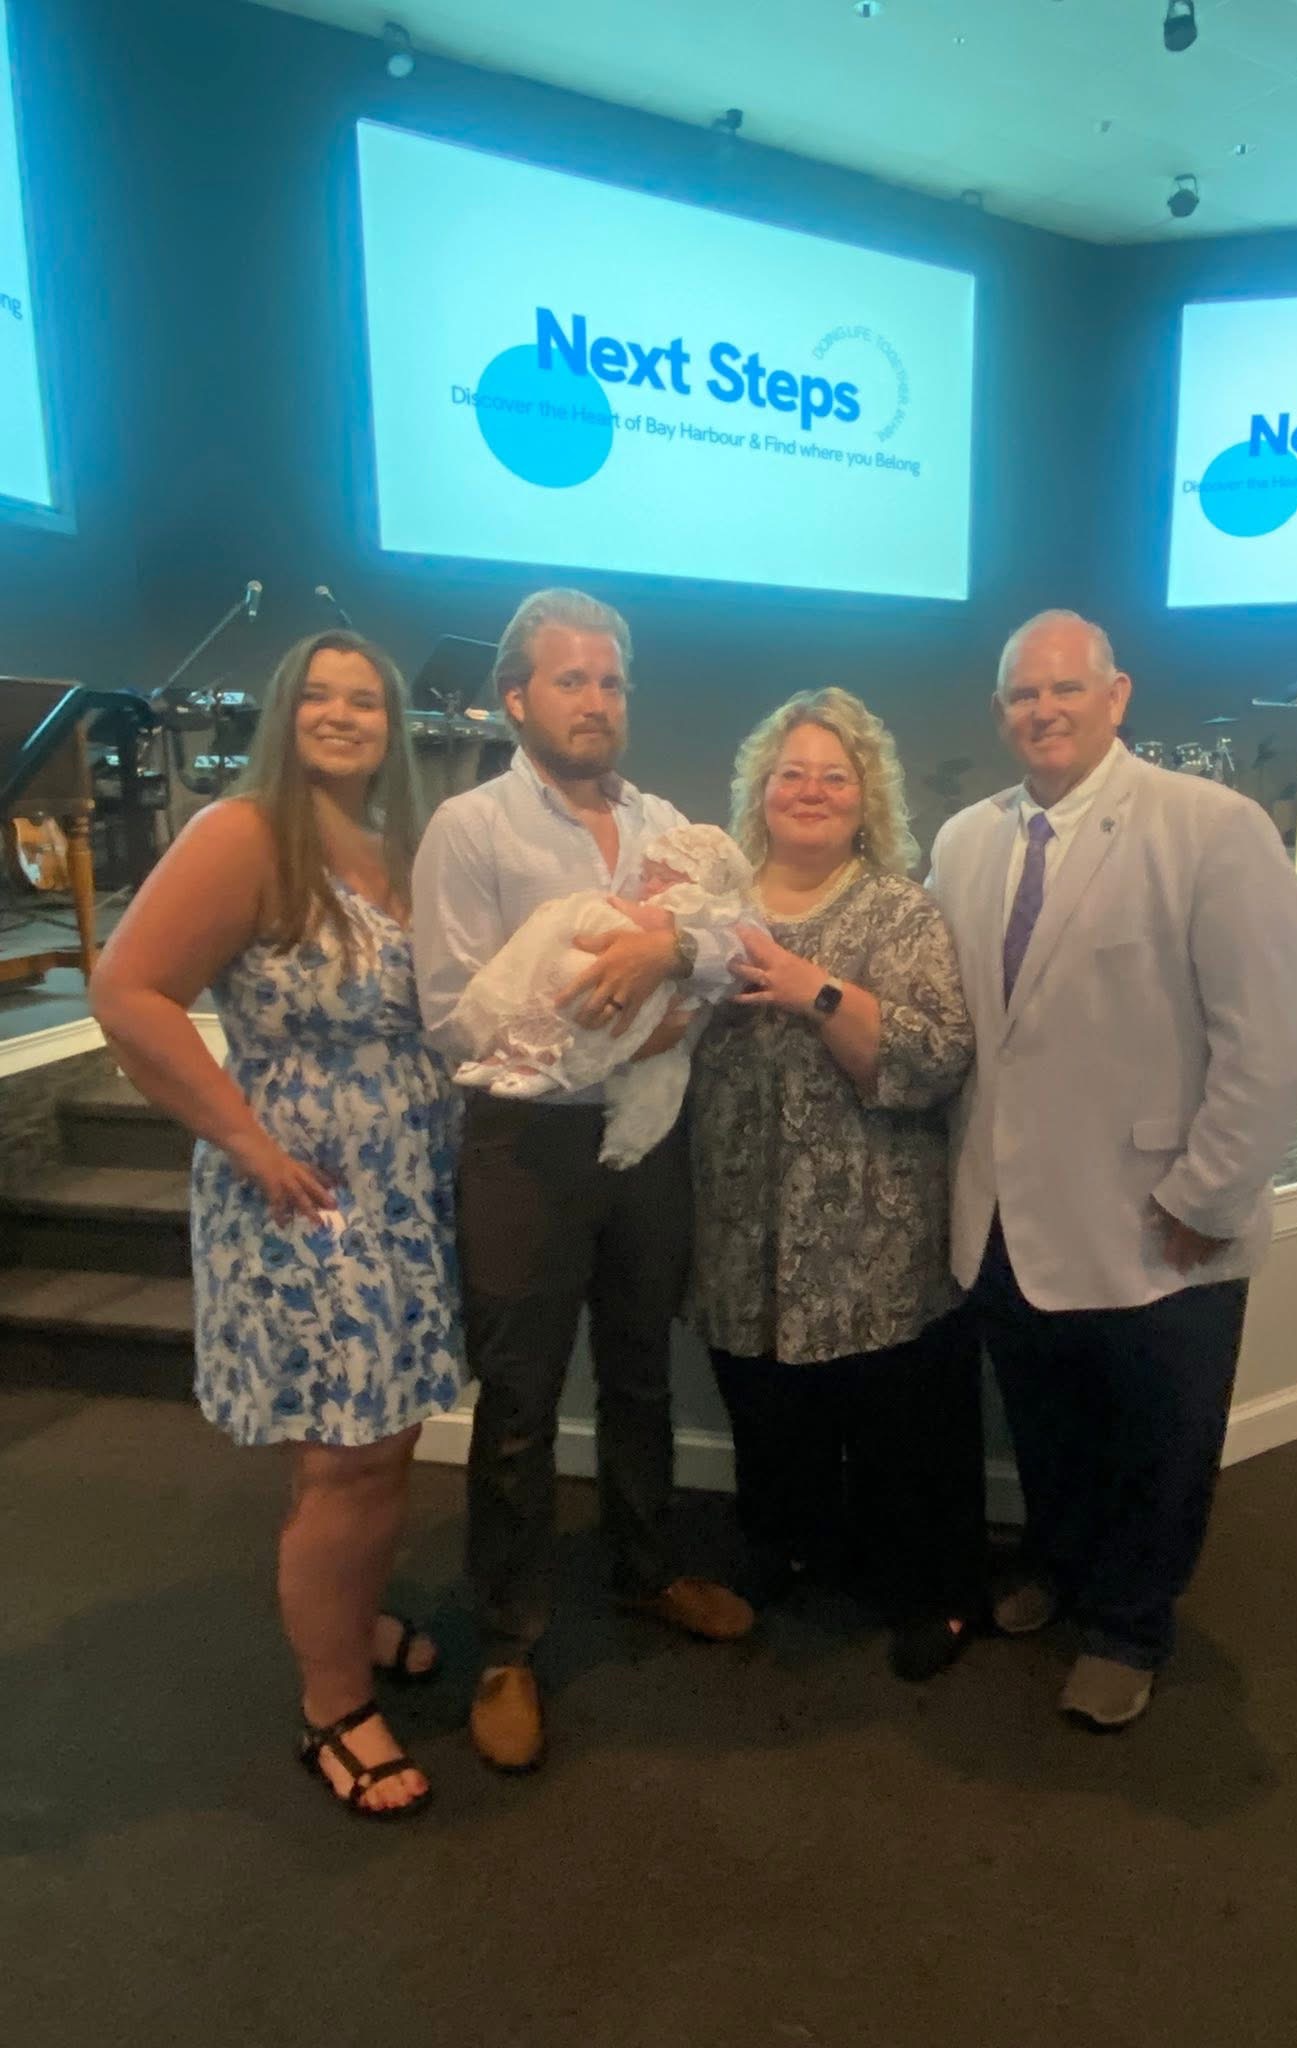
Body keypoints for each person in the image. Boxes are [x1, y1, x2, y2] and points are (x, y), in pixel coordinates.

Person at [89, 630, 464, 1819]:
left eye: (366, 699)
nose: (342, 715)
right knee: (343, 1452)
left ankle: (349, 1619)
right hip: (311, 1190)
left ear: (394, 725)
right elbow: (126, 990)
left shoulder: (394, 843)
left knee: (387, 1435)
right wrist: (243, 1138)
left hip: (407, 1185)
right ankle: (332, 1705)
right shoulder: (244, 832)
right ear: (282, 713)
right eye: (318, 696)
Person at [929, 610, 1297, 1731]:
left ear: (1117, 696)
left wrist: (1211, 1193)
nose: (1043, 710)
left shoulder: (1212, 827)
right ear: (999, 711)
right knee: (1047, 1422)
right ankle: (1059, 1565)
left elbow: (1269, 1035)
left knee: (1160, 1439)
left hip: (1161, 1216)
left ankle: (1131, 1625)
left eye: (1066, 688)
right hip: (1006, 1215)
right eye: (1022, 694)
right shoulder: (963, 843)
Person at [412, 588, 753, 1777]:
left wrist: (672, 953)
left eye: (611, 681)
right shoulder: (471, 829)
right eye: (571, 680)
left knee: (640, 1368)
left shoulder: (668, 826)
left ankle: (645, 1568)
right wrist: (629, 1030)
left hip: (647, 1138)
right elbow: (456, 1018)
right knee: (517, 1398)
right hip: (528, 1145)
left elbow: (733, 945)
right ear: (516, 698)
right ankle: (507, 1642)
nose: (596, 700)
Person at [690, 687, 984, 1681]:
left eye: (835, 776)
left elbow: (935, 1056)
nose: (811, 791)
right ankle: (790, 1545)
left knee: (900, 1425)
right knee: (768, 1409)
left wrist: (812, 988)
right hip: (741, 1222)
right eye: (792, 774)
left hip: (873, 1232)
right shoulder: (712, 911)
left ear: (868, 799)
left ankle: (930, 1590)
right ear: (760, 790)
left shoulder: (900, 909)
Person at [452, 822, 755, 1168]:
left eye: (666, 880)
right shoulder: (477, 818)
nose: (651, 886)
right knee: (553, 971)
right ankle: (509, 1049)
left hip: (657, 1001)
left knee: (589, 1001)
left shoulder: (701, 906)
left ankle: (550, 1060)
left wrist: (659, 936)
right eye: (647, 876)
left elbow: (733, 949)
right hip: (522, 1124)